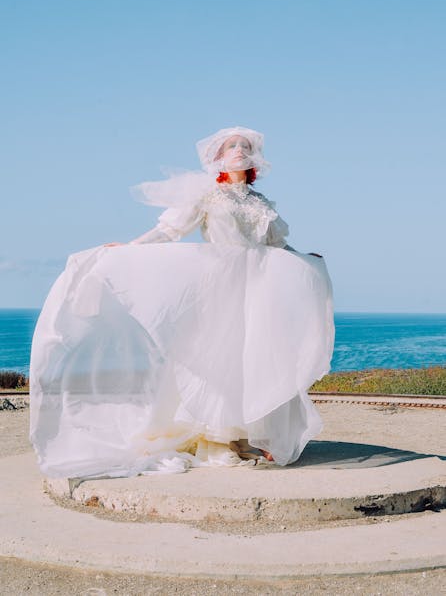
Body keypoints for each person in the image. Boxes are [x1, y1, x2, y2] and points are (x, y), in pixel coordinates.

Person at [29, 126, 335, 479]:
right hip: (219, 286)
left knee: (249, 360)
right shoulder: (208, 195)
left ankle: (241, 438)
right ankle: (217, 441)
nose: (238, 150)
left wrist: (305, 260)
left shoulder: (260, 203)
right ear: (218, 156)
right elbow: (169, 231)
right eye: (231, 145)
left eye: (244, 146)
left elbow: (277, 246)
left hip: (257, 290)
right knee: (218, 360)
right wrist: (130, 249)